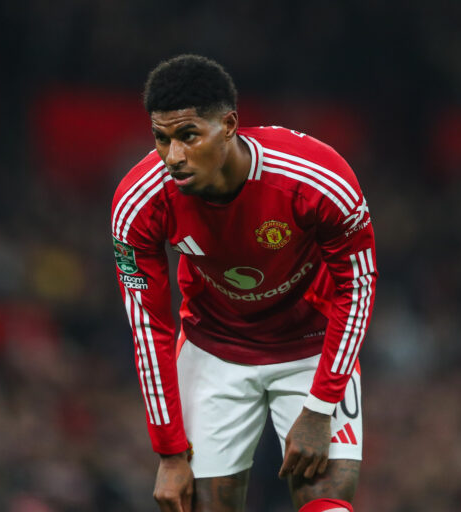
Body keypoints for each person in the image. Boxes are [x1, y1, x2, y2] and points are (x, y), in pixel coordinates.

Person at [111, 54, 377, 512]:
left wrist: (320, 406)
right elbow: (148, 328)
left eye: (189, 135)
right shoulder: (140, 203)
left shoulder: (317, 178)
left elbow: (359, 286)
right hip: (213, 349)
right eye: (162, 138)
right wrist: (169, 450)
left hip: (311, 345)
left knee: (328, 506)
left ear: (229, 124)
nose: (173, 156)